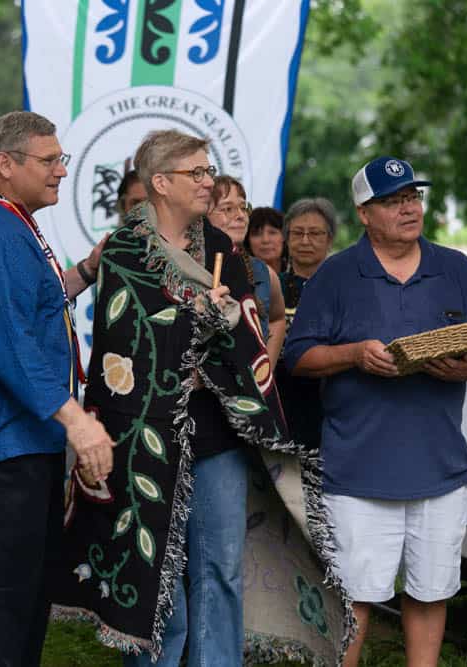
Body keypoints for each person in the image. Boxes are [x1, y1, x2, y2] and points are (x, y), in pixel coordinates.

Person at [52, 130, 352, 667]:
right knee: (153, 571)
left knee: (220, 568)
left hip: (217, 431)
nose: (208, 181)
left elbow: (252, 341)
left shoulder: (221, 249)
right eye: (197, 173)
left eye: (208, 170)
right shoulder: (124, 251)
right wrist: (179, 354)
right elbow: (120, 356)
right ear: (161, 183)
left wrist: (223, 324)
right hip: (144, 437)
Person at [284, 157, 467, 667]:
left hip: (440, 467)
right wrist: (354, 354)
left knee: (431, 593)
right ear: (364, 213)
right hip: (358, 471)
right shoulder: (337, 275)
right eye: (393, 201)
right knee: (354, 600)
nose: (409, 208)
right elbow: (297, 356)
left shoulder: (457, 269)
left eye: (413, 197)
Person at [0, 110, 115, 667]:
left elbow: (35, 306)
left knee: (27, 599)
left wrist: (86, 271)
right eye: (50, 160)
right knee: (4, 609)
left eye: (61, 159)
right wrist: (78, 422)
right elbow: (11, 346)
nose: (62, 171)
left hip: (22, 445)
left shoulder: (12, 220)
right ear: (5, 163)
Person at [273, 198, 338, 451]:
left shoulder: (344, 289)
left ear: (329, 239)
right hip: (280, 403)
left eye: (315, 233)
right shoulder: (271, 287)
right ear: (287, 239)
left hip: (330, 404)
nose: (306, 241)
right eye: (298, 233)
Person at [206, 175, 286, 366]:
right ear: (202, 214)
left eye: (243, 207)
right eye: (227, 209)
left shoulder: (263, 272)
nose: (241, 216)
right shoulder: (189, 266)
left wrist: (267, 370)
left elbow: (277, 318)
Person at [245, 206, 287, 275]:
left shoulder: (299, 273)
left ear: (284, 237)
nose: (265, 240)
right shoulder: (238, 277)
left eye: (272, 233)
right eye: (257, 234)